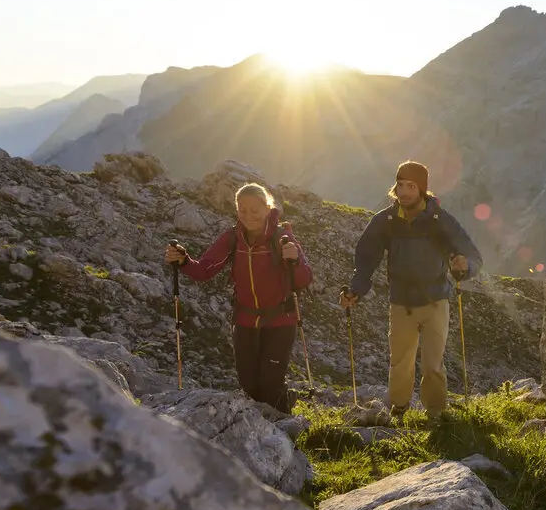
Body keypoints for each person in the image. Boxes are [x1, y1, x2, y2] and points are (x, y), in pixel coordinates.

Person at [339, 160, 483, 420]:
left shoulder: (440, 220)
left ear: (422, 189)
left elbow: (472, 255)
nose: (404, 192)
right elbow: (366, 259)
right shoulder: (385, 221)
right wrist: (355, 290)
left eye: (410, 186)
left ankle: (436, 415)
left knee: (433, 364)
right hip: (402, 302)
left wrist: (465, 267)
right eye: (400, 185)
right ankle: (398, 410)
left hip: (436, 300)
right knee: (400, 362)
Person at [163, 182, 312, 412]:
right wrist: (183, 260)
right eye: (242, 209)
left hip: (280, 321)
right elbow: (205, 269)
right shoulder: (232, 238)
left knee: (270, 385)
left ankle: (285, 429)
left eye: (254, 210)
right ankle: (266, 426)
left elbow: (304, 278)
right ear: (236, 210)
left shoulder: (282, 238)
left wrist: (294, 260)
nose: (248, 215)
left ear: (267, 208)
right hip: (245, 322)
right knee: (249, 385)